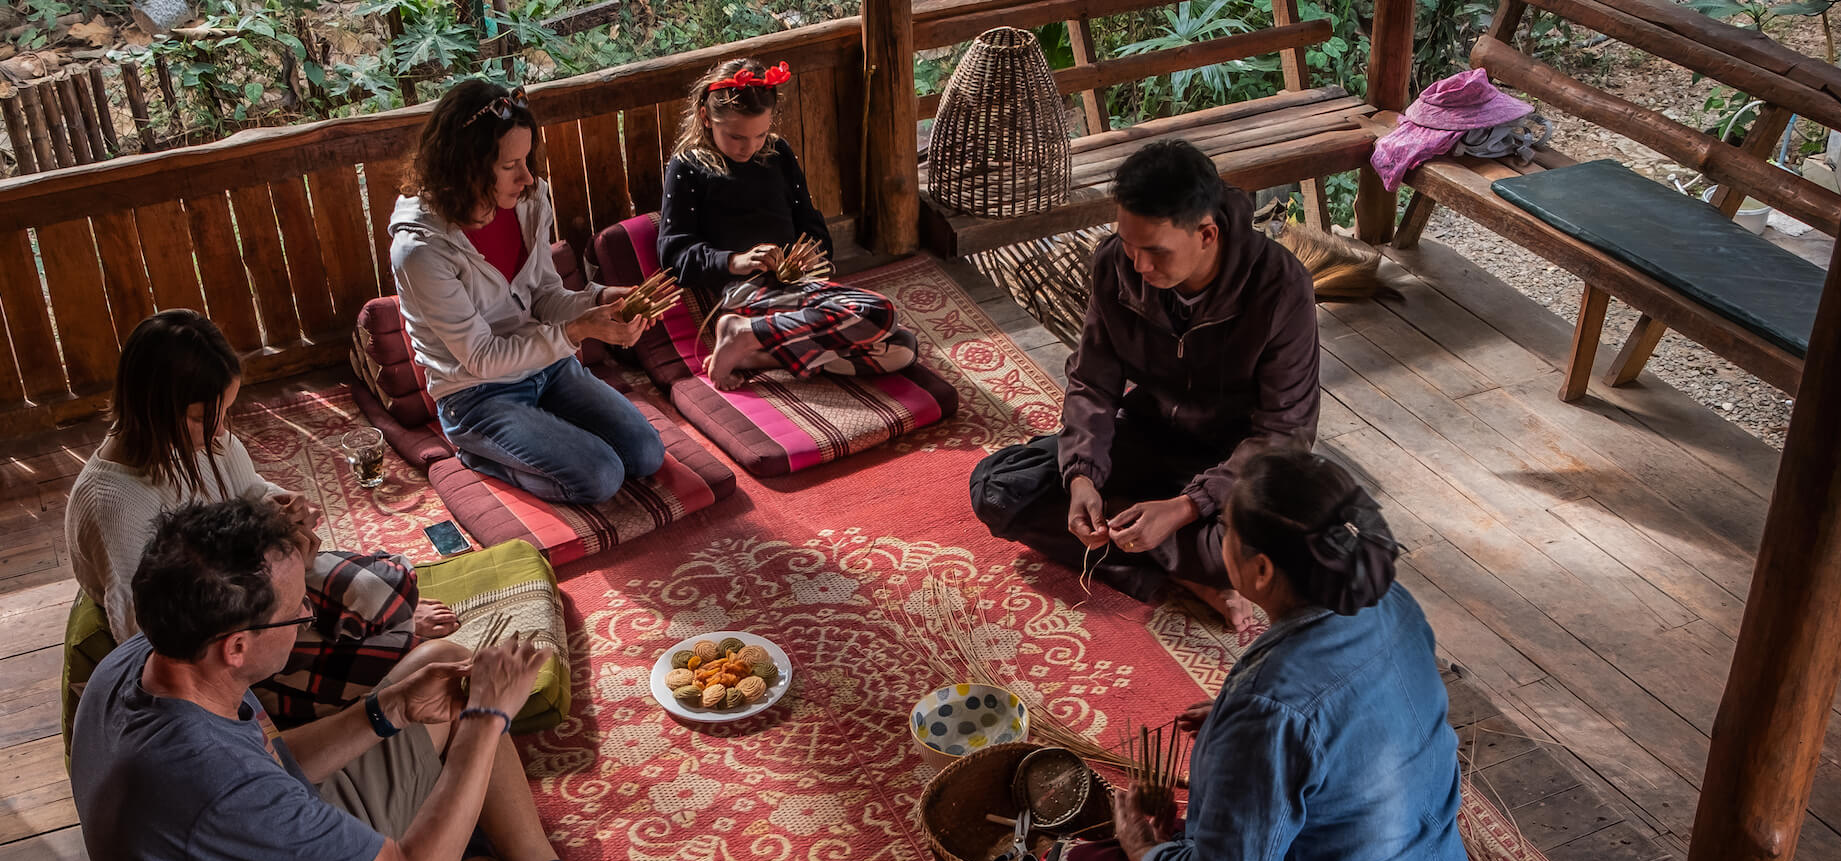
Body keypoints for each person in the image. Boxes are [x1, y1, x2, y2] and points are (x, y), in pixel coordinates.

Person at [71, 498, 689, 861]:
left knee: (449, 663)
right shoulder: (214, 780)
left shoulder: (147, 659)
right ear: (236, 645)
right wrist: (486, 718)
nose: (308, 615)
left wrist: (386, 710)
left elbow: (275, 762)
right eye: (295, 615)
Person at [1065, 449, 1474, 861]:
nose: (1219, 539)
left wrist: (1142, 851)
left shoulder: (1270, 708)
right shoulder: (1389, 601)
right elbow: (1366, 714)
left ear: (1259, 571)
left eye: (1225, 529)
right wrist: (1251, 725)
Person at [969, 139, 1320, 629]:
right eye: (1129, 245)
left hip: (1231, 461)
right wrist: (1083, 477)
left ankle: (1155, 545)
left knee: (1275, 549)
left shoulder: (1280, 286)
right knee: (997, 488)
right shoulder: (1116, 264)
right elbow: (1092, 382)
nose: (1138, 266)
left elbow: (1284, 434)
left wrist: (1184, 507)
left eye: (1154, 251)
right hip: (1150, 435)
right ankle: (1184, 574)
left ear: (1207, 234)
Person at [66, 309, 462, 725]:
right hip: (221, 632)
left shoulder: (203, 442)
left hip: (256, 582)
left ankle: (368, 627)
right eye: (203, 418)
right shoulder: (112, 504)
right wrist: (275, 599)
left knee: (391, 586)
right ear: (152, 408)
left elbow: (250, 491)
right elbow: (148, 636)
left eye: (223, 414)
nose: (219, 431)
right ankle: (375, 638)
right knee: (394, 654)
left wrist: (283, 508)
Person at [390, 79, 662, 505]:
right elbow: (480, 358)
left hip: (549, 368)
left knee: (646, 454)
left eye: (526, 158)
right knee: (601, 477)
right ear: (466, 167)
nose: (527, 176)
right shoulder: (420, 249)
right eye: (508, 165)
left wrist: (598, 301)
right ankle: (477, 453)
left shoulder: (529, 200)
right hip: (477, 393)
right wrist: (574, 334)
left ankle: (544, 434)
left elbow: (543, 295)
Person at [657, 58, 918, 389]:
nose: (749, 147)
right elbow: (673, 254)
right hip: (747, 294)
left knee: (903, 347)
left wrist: (809, 254)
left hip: (795, 289)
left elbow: (811, 225)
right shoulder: (688, 166)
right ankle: (742, 331)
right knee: (878, 312)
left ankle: (754, 352)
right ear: (706, 117)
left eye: (760, 134)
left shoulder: (778, 152)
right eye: (736, 137)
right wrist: (735, 261)